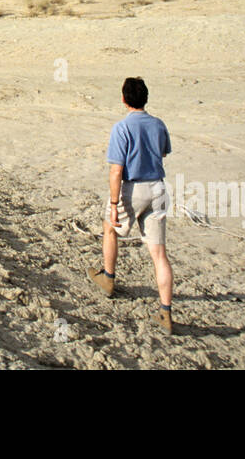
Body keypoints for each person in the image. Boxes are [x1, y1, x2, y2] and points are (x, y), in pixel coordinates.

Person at [88, 76, 174, 334]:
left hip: (132, 187)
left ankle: (108, 277)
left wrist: (114, 203)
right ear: (145, 98)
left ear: (124, 99)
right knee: (159, 254)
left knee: (110, 227)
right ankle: (166, 312)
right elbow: (163, 153)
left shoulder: (121, 128)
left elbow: (116, 171)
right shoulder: (158, 125)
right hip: (157, 187)